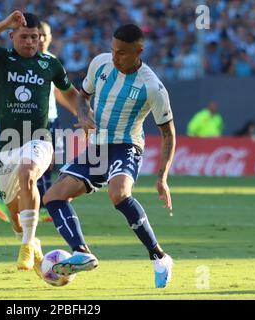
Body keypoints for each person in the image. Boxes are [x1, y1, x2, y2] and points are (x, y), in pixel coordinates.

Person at [42, 24, 176, 288]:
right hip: (98, 146)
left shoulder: (152, 87)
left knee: (118, 193)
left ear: (138, 51)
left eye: (122, 53)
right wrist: (82, 114)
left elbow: (168, 134)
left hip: (126, 145)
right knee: (52, 197)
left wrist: (162, 177)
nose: (115, 57)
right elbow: (82, 97)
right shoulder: (101, 64)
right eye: (113, 50)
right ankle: (82, 252)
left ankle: (159, 257)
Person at [0, 11, 80, 274]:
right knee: (14, 216)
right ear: (12, 36)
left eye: (35, 37)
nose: (30, 42)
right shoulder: (0, 59)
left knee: (28, 172)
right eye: (25, 36)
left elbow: (70, 93)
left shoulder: (50, 64)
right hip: (7, 144)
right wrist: (4, 22)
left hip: (39, 139)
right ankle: (30, 240)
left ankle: (28, 244)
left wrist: (82, 115)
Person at [37, 21, 77, 221]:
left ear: (51, 37)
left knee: (53, 164)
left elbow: (60, 93)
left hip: (53, 120)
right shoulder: (26, 60)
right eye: (39, 34)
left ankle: (43, 203)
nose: (42, 39)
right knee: (41, 164)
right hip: (36, 123)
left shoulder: (52, 60)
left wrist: (77, 111)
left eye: (45, 34)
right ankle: (42, 205)